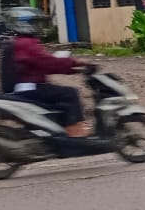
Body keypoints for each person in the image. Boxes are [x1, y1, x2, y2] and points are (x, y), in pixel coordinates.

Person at [5, 7, 89, 136]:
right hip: (31, 88)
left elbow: (43, 63)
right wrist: (75, 63)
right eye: (35, 22)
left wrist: (71, 68)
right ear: (25, 23)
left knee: (60, 97)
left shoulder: (21, 42)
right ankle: (75, 133)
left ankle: (59, 129)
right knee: (70, 93)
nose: (39, 26)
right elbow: (47, 62)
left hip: (28, 86)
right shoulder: (27, 44)